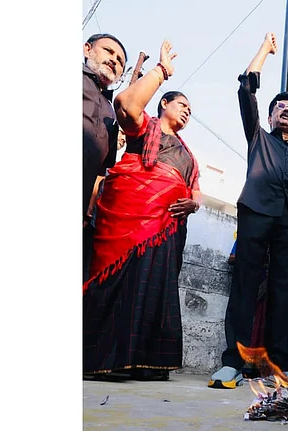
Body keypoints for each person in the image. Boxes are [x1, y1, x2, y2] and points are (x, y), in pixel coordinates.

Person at [83, 40, 203, 380]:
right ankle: (104, 361)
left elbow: (196, 191)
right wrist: (161, 71)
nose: (186, 112)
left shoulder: (188, 155)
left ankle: (146, 364)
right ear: (164, 103)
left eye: (191, 112)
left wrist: (193, 202)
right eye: (182, 105)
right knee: (120, 284)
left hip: (167, 233)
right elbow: (126, 102)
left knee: (154, 291)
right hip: (128, 224)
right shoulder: (145, 127)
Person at [209, 32, 288, 390]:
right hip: (256, 212)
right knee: (245, 285)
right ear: (270, 117)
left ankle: (283, 364)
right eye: (280, 108)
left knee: (286, 291)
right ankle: (233, 364)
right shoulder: (258, 136)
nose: (286, 111)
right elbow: (246, 91)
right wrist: (265, 52)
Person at [83, 33, 128, 282]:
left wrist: (89, 210)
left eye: (120, 60)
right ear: (87, 49)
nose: (114, 60)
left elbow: (103, 169)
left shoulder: (112, 112)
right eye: (108, 52)